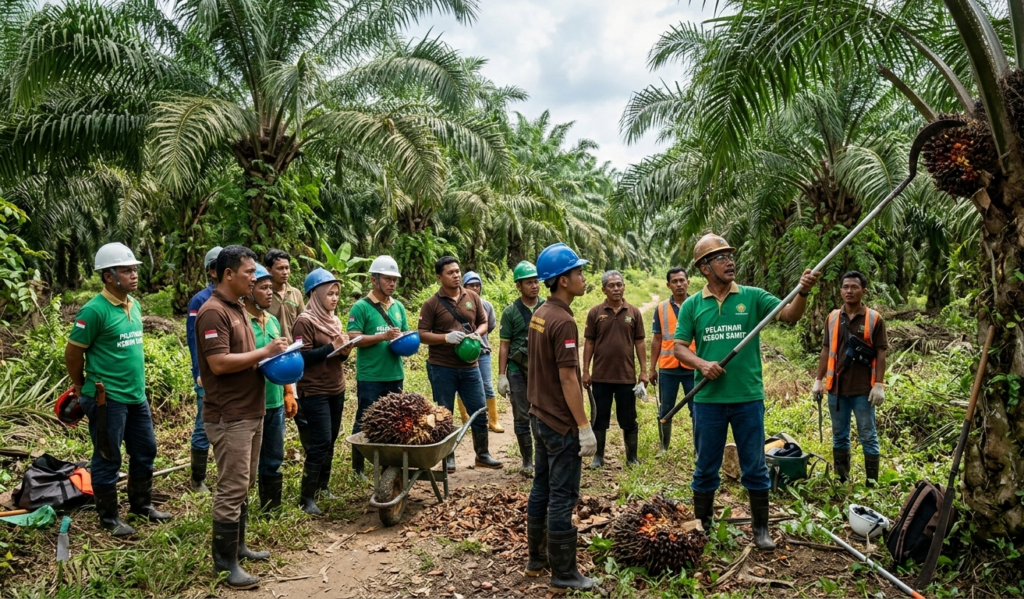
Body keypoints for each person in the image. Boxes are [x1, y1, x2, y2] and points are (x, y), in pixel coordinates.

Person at [673, 234, 819, 550]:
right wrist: (702, 363)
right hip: (709, 400)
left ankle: (761, 530)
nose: (730, 261)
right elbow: (679, 348)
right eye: (721, 257)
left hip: (748, 398)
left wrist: (803, 291)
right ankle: (705, 526)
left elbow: (790, 315)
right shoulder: (693, 306)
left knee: (754, 464)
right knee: (705, 466)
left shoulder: (753, 297)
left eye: (730, 256)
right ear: (704, 267)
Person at [196, 245, 288, 589]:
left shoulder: (238, 309)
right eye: (249, 272)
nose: (255, 277)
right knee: (232, 487)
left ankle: (239, 546)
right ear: (227, 274)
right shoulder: (213, 312)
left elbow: (247, 358)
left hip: (252, 409)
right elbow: (218, 364)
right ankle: (225, 563)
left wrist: (272, 359)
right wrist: (265, 351)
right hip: (229, 414)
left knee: (244, 483)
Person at [65, 242, 172, 537]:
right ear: (109, 275)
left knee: (146, 450)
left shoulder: (133, 304)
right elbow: (73, 353)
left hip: (135, 395)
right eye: (126, 270)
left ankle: (141, 505)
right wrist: (78, 385)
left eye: (134, 269)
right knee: (108, 456)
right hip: (105, 398)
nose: (134, 275)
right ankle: (109, 518)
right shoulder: (94, 310)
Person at [525, 243, 597, 593]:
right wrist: (583, 426)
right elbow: (569, 378)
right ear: (563, 280)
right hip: (559, 422)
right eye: (579, 272)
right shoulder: (564, 320)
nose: (584, 278)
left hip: (538, 415)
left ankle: (536, 558)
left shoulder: (540, 312)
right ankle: (564, 572)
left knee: (541, 487)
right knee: (562, 496)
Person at [418, 256, 502, 472]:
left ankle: (482, 454)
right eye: (450, 272)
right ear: (439, 277)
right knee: (444, 413)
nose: (456, 275)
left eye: (457, 271)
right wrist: (445, 337)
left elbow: (484, 322)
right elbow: (422, 335)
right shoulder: (431, 304)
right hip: (442, 367)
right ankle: (448, 458)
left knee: (479, 409)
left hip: (470, 366)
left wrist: (477, 334)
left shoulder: (472, 297)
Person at [813, 271, 887, 485]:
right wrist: (818, 380)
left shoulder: (874, 318)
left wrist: (879, 385)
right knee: (839, 435)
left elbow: (881, 352)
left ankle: (871, 484)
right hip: (836, 388)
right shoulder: (833, 317)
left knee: (868, 435)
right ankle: (842, 480)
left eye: (854, 287)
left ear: (863, 291)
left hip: (864, 389)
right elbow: (826, 350)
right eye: (845, 287)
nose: (849, 291)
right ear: (840, 290)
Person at [292, 268, 353, 515]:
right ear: (315, 295)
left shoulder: (334, 321)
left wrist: (344, 352)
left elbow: (335, 359)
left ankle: (323, 487)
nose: (335, 298)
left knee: (331, 440)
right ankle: (306, 497)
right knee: (320, 442)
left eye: (337, 294)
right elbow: (302, 358)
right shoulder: (304, 321)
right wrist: (332, 346)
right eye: (330, 294)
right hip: (314, 390)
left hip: (336, 387)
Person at [347, 256, 410, 479]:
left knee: (394, 419)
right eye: (387, 279)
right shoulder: (361, 307)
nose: (392, 283)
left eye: (395, 280)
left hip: (394, 373)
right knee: (364, 419)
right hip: (371, 375)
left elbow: (404, 333)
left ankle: (388, 464)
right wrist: (382, 336)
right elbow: (353, 338)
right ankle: (358, 468)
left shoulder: (399, 307)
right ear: (374, 280)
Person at [244, 265, 299, 512]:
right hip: (250, 404)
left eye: (270, 287)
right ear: (248, 290)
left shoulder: (273, 321)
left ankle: (271, 507)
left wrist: (289, 391)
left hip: (274, 400)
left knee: (274, 458)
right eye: (263, 287)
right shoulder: (240, 321)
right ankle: (240, 512)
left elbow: (282, 358)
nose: (270, 292)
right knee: (245, 465)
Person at [582, 270, 648, 468]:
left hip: (626, 377)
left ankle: (631, 458)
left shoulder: (634, 312)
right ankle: (598, 457)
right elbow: (589, 343)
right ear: (604, 289)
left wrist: (644, 371)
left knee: (628, 420)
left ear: (624, 287)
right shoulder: (595, 312)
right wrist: (586, 370)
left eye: (619, 284)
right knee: (599, 419)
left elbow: (640, 342)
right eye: (611, 285)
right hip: (601, 377)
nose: (616, 288)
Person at [498, 261, 545, 476]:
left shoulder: (547, 307)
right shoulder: (511, 312)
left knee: (543, 415)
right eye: (529, 282)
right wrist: (501, 375)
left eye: (536, 281)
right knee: (521, 415)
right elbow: (505, 344)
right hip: (517, 369)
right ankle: (527, 460)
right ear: (519, 286)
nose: (534, 286)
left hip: (542, 369)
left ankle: (543, 458)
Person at [647, 267, 696, 457]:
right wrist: (652, 368)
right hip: (668, 367)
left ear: (688, 282)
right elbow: (657, 340)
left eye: (682, 280)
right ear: (668, 285)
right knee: (665, 409)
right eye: (674, 281)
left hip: (693, 367)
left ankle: (698, 449)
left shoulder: (697, 304)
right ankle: (663, 447)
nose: (679, 284)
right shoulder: (660, 308)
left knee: (697, 410)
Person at [185, 245, 222, 493]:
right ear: (212, 272)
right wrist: (199, 372)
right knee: (204, 424)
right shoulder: (200, 300)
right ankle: (197, 479)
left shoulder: (238, 298)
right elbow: (193, 339)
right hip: (207, 374)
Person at [460, 271, 502, 433]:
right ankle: (466, 420)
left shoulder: (486, 305)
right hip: (463, 353)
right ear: (464, 287)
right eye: (471, 285)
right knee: (463, 385)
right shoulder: (458, 304)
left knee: (487, 385)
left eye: (477, 285)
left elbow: (490, 326)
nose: (475, 288)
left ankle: (493, 420)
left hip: (483, 351)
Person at [265, 249, 305, 342]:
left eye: (287, 268)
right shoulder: (263, 294)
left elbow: (302, 322)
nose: (285, 272)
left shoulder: (296, 293)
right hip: (271, 350)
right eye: (280, 268)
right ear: (269, 270)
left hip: (294, 348)